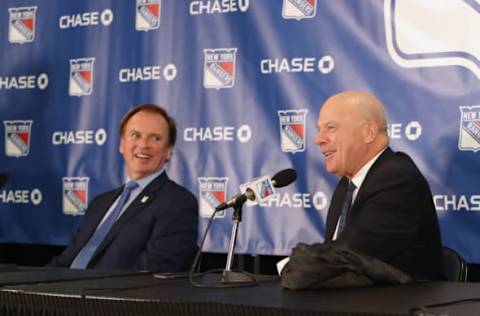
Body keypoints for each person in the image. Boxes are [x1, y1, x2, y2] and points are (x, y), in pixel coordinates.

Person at [50, 104, 198, 272]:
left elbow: (153, 271)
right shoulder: (101, 203)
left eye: (155, 138)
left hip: (104, 295)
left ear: (169, 151)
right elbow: (67, 260)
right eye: (135, 135)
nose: (143, 144)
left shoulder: (177, 203)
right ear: (122, 144)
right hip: (64, 291)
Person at [314, 90, 443, 280]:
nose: (319, 139)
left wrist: (291, 266)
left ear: (369, 132)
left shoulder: (396, 180)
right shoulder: (347, 184)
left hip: (398, 305)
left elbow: (349, 257)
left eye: (331, 128)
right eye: (319, 129)